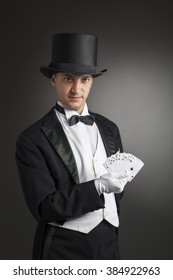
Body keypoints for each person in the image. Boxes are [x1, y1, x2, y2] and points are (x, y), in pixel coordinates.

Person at [16, 33, 130, 260]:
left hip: (109, 243)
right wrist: (96, 187)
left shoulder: (110, 129)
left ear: (92, 81)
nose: (76, 88)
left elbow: (118, 190)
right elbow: (43, 208)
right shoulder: (32, 139)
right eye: (68, 78)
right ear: (53, 79)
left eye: (85, 79)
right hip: (63, 247)